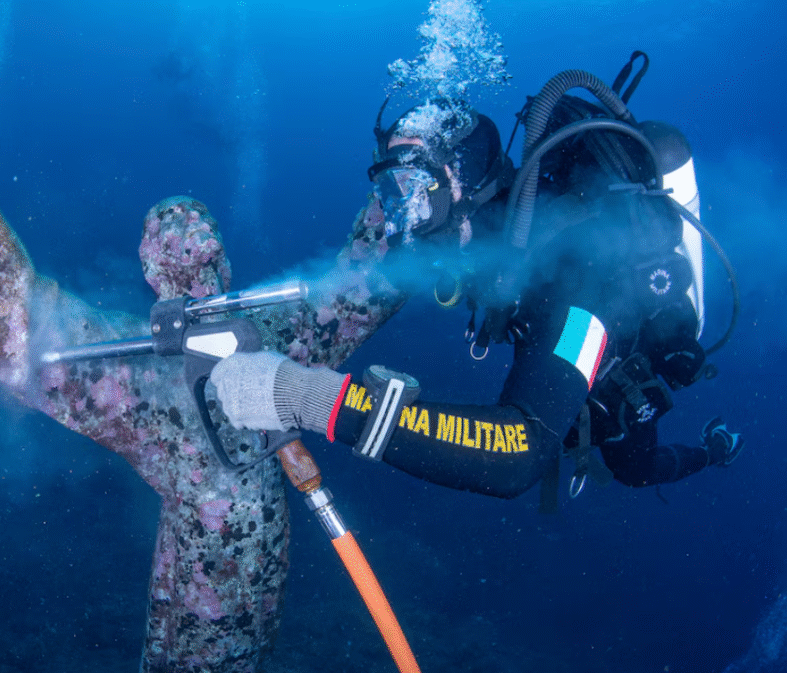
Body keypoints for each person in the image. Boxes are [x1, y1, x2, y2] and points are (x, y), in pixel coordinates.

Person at [0, 56, 407, 672]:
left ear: (151, 270)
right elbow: (362, 285)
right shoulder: (271, 331)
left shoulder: (144, 366)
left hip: (208, 591)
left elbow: (27, 331)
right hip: (248, 573)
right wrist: (406, 192)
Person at [212, 56, 744, 504]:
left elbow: (519, 451)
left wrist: (304, 395)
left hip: (614, 362)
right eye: (393, 192)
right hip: (550, 330)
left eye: (417, 189)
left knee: (633, 465)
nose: (401, 217)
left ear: (463, 182)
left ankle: (716, 449)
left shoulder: (580, 276)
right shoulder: (487, 238)